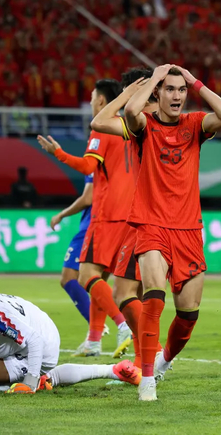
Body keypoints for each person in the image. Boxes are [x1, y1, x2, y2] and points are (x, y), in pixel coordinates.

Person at [123, 64, 221, 401]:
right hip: (151, 224)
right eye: (170, 89)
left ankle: (162, 361)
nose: (177, 95)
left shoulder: (194, 124)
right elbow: (130, 111)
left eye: (181, 90)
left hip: (188, 229)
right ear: (158, 93)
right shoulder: (145, 125)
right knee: (153, 296)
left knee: (188, 315)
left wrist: (196, 82)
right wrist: (154, 79)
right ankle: (146, 379)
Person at [37, 79, 140, 359]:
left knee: (85, 276)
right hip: (130, 217)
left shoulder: (102, 127)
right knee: (102, 277)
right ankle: (94, 340)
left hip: (106, 216)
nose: (91, 102)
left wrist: (58, 153)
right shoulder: (132, 128)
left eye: (93, 97)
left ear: (102, 101)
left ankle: (123, 324)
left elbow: (87, 166)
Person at [0, 287, 139, 394]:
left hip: (40, 342)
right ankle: (113, 370)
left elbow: (34, 339)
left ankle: (37, 379)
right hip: (27, 336)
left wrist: (30, 381)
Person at [89, 66, 159, 370]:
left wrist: (127, 95)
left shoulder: (143, 122)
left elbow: (98, 122)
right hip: (150, 216)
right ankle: (146, 362)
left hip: (144, 218)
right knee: (141, 294)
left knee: (123, 293)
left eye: (129, 91)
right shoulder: (155, 122)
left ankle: (153, 353)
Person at [49, 174, 94, 325]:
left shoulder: (97, 163)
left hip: (93, 227)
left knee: (69, 278)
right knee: (97, 280)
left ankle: (110, 325)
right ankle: (98, 330)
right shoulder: (125, 164)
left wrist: (61, 214)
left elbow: (87, 198)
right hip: (116, 226)